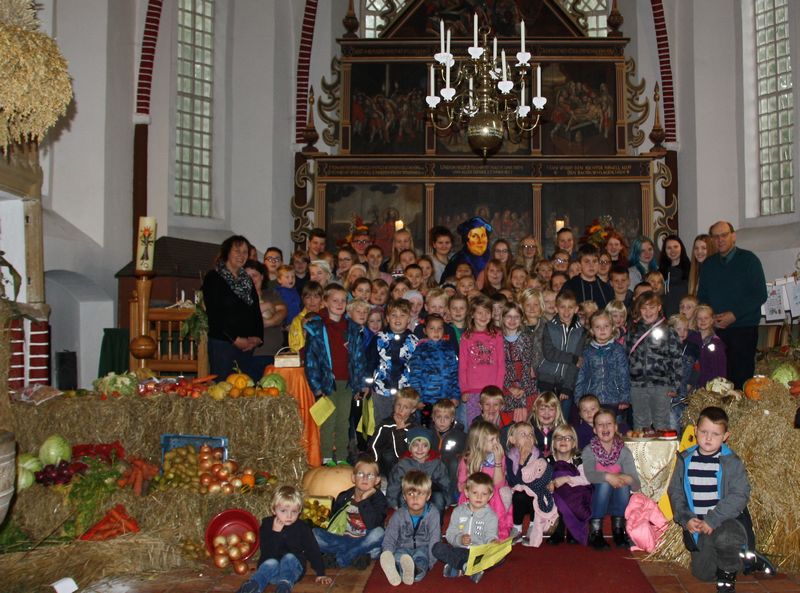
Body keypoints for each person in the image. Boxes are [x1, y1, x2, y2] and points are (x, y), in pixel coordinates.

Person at [668, 406, 771, 592]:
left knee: (726, 537)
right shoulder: (685, 460)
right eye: (704, 432)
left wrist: (714, 519)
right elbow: (675, 492)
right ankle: (746, 558)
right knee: (703, 574)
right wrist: (686, 518)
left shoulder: (731, 462)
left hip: (726, 520)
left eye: (715, 434)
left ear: (725, 436)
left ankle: (727, 579)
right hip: (701, 525)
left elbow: (740, 494)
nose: (708, 438)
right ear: (695, 430)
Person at [697, 221, 767, 388]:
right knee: (716, 381)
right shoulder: (708, 265)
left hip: (743, 330)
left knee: (741, 380)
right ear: (712, 240)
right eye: (716, 236)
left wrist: (734, 315)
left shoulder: (749, 260)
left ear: (733, 236)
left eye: (724, 235)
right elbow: (702, 296)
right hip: (715, 330)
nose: (720, 239)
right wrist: (711, 317)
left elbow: (759, 294)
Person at [304, 283, 369, 464]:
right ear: (325, 302)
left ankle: (341, 457)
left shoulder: (352, 328)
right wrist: (317, 387)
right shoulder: (316, 327)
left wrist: (360, 383)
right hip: (327, 383)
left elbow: (359, 358)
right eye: (335, 300)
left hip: (347, 382)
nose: (340, 304)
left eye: (343, 301)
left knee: (344, 421)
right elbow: (311, 361)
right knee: (328, 421)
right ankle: (326, 457)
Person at [236, 486, 331, 593]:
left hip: (293, 570)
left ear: (299, 511)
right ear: (273, 510)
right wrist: (276, 533)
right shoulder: (267, 525)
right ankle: (252, 585)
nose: (289, 516)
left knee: (290, 557)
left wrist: (321, 573)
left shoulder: (302, 527)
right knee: (270, 563)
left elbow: (312, 549)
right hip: (272, 572)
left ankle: (284, 587)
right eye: (283, 511)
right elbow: (267, 551)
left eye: (294, 511)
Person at [203, 236, 264, 379]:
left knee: (245, 387)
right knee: (223, 387)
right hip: (224, 344)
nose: (241, 255)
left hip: (247, 346)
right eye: (237, 251)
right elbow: (214, 314)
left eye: (245, 252)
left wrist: (258, 337)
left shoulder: (247, 279)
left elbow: (255, 310)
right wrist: (234, 339)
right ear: (227, 252)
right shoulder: (214, 277)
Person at [314, 456, 387, 570]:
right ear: (353, 477)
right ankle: (355, 554)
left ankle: (342, 556)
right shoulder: (344, 496)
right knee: (314, 533)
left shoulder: (379, 499)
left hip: (364, 538)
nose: (365, 478)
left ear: (377, 480)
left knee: (379, 533)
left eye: (370, 475)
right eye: (360, 474)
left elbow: (372, 524)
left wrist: (364, 500)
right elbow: (334, 521)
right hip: (343, 538)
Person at [582, 409, 640, 550]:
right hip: (595, 500)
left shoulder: (624, 451)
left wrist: (626, 478)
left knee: (623, 484)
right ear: (594, 430)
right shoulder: (589, 450)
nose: (605, 427)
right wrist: (608, 476)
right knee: (604, 484)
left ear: (615, 427)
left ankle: (618, 530)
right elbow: (590, 475)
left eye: (608, 424)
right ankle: (595, 532)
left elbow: (636, 484)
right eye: (600, 425)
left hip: (616, 501)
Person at [627, 291, 683, 430]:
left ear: (659, 307)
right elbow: (626, 357)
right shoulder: (633, 331)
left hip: (661, 384)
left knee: (662, 423)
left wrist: (675, 385)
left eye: (652, 307)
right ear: (639, 309)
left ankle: (662, 445)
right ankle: (642, 446)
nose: (648, 312)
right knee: (640, 423)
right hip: (637, 384)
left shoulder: (669, 330)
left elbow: (676, 359)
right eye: (644, 308)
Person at [433, 472, 498, 583]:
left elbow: (490, 535)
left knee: (499, 558)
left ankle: (458, 566)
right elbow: (450, 534)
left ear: (490, 496)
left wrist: (492, 542)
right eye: (475, 492)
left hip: (478, 553)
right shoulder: (458, 511)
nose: (479, 497)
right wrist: (460, 539)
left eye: (484, 494)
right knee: (437, 548)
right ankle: (467, 567)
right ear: (467, 493)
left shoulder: (491, 516)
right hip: (460, 550)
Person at [380, 471, 441, 586]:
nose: (415, 498)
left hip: (423, 548)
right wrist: (387, 552)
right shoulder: (399, 515)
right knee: (398, 556)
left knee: (422, 560)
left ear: (428, 496)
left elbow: (435, 538)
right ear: (404, 496)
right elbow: (390, 537)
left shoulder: (433, 514)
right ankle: (397, 567)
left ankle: (412, 571)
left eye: (420, 494)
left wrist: (430, 563)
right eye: (410, 494)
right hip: (402, 548)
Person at [456, 421, 513, 539]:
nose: (496, 443)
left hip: (493, 494)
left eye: (497, 439)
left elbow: (499, 484)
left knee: (496, 495)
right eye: (492, 440)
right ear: (479, 442)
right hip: (474, 495)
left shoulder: (499, 456)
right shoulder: (468, 459)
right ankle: (471, 531)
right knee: (474, 493)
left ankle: (496, 532)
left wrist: (498, 461)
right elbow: (461, 486)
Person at [505, 422, 558, 547]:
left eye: (530, 434)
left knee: (537, 494)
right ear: (512, 440)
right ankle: (517, 528)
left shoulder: (537, 454)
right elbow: (514, 482)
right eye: (523, 434)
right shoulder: (510, 456)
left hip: (536, 492)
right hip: (520, 494)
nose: (528, 437)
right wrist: (522, 461)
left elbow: (543, 475)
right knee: (519, 495)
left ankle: (533, 526)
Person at [367, 298, 419, 423]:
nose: (397, 318)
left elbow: (417, 367)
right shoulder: (379, 338)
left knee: (404, 422)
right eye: (394, 315)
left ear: (408, 319)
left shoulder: (414, 340)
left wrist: (417, 389)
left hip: (405, 391)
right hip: (382, 389)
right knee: (382, 422)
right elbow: (370, 362)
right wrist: (367, 384)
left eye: (402, 315)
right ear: (387, 318)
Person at [538, 289, 586, 421]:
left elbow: (577, 363)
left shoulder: (581, 332)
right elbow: (549, 353)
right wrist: (572, 358)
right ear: (556, 308)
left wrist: (567, 387)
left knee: (563, 420)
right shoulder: (549, 327)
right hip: (546, 380)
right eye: (562, 307)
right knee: (545, 418)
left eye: (570, 307)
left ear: (576, 309)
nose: (566, 311)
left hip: (566, 382)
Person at [574, 311, 631, 419]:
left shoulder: (618, 350)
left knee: (614, 426)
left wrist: (624, 398)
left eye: (606, 326)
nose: (602, 330)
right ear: (592, 330)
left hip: (614, 399)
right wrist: (578, 398)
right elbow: (581, 376)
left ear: (612, 328)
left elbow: (624, 375)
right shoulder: (587, 352)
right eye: (598, 327)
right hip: (592, 400)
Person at [458, 294, 505, 426]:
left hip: (492, 391)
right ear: (472, 314)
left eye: (487, 312)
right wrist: (464, 389)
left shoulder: (497, 335)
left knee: (493, 424)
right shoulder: (466, 337)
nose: (484, 316)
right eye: (480, 313)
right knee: (474, 425)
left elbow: (501, 365)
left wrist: (498, 389)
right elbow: (462, 366)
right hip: (472, 390)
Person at [407, 314, 460, 426]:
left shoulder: (449, 349)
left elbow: (455, 374)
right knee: (426, 429)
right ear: (425, 331)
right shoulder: (420, 350)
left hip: (446, 401)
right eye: (432, 328)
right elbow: (415, 376)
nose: (436, 332)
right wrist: (418, 399)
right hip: (427, 401)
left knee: (445, 427)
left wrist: (455, 395)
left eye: (439, 328)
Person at [386, 427, 450, 516]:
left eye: (424, 446)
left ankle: (435, 522)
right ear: (410, 447)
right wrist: (393, 502)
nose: (420, 449)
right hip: (409, 494)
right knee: (401, 498)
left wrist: (446, 500)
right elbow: (394, 484)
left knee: (439, 498)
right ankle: (407, 521)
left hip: (429, 495)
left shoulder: (436, 463)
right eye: (416, 445)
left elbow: (445, 483)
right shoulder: (403, 464)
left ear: (429, 447)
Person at [547, 423, 592, 546]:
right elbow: (542, 479)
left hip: (578, 495)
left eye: (568, 438)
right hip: (556, 495)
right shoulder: (548, 460)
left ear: (574, 444)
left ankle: (572, 530)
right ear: (554, 443)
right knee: (558, 474)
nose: (563, 441)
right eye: (559, 438)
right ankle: (560, 529)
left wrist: (566, 479)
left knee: (564, 482)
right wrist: (550, 484)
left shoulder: (578, 459)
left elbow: (587, 479)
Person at [243, 260, 288, 377]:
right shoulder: (239, 297)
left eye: (254, 275)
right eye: (247, 276)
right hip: (249, 354)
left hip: (273, 353)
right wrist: (268, 307)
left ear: (262, 277)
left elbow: (282, 312)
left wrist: (268, 322)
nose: (251, 279)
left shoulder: (271, 294)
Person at [369, 387, 420, 476]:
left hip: (407, 467)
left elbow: (405, 454)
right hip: (386, 467)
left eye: (406, 407)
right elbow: (373, 446)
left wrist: (400, 431)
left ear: (413, 410)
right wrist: (374, 467)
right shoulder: (385, 425)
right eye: (398, 405)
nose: (400, 410)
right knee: (388, 455)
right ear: (394, 404)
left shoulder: (415, 429)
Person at [501, 302, 538, 422]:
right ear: (502, 318)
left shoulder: (526, 338)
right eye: (509, 316)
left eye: (516, 317)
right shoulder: (498, 339)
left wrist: (523, 390)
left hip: (525, 386)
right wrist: (509, 387)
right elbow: (499, 367)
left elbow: (526, 367)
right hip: (506, 386)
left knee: (525, 420)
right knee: (508, 421)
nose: (512, 320)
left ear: (521, 318)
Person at [430, 399, 466, 505]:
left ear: (452, 419)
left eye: (446, 417)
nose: (442, 421)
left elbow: (467, 452)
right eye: (438, 417)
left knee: (455, 462)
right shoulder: (428, 434)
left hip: (450, 470)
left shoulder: (459, 435)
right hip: (433, 469)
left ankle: (451, 493)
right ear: (433, 418)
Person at [692, 305, 728, 386]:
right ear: (695, 321)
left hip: (710, 385)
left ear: (712, 320)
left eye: (706, 318)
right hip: (693, 384)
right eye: (699, 318)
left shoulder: (717, 344)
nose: (703, 321)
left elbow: (721, 367)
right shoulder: (691, 340)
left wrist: (720, 385)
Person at [659, 234, 691, 317]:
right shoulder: (660, 272)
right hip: (666, 317)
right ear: (664, 251)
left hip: (685, 317)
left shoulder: (691, 269)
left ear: (681, 248)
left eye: (676, 247)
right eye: (669, 248)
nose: (672, 251)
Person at [287, 281, 324, 353]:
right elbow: (294, 346)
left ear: (322, 298)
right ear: (302, 299)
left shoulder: (326, 317)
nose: (312, 301)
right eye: (308, 297)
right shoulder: (297, 320)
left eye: (316, 297)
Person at [529, 391, 566, 458]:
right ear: (535, 409)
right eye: (542, 409)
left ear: (557, 411)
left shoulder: (561, 430)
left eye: (551, 409)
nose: (546, 413)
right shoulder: (530, 429)